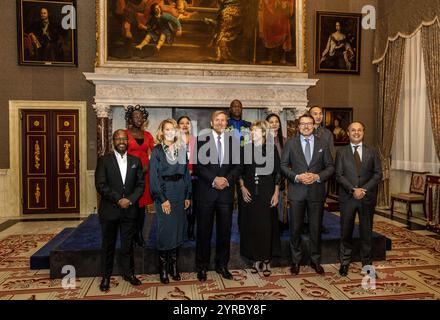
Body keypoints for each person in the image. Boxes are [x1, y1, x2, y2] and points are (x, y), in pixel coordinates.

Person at [280, 114, 334, 275]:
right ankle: (295, 261)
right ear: (298, 126)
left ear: (313, 125)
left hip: (316, 192)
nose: (306, 126)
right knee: (295, 229)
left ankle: (315, 260)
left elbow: (330, 167)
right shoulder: (291, 143)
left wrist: (317, 177)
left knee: (315, 229)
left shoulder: (322, 143)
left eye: (309, 124)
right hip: (297, 192)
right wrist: (296, 176)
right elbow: (283, 166)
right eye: (302, 124)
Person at [193, 110, 242, 282]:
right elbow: (197, 166)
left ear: (226, 123)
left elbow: (238, 167)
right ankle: (202, 267)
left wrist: (226, 180)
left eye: (224, 120)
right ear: (212, 123)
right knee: (203, 232)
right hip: (206, 192)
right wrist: (214, 179)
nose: (221, 122)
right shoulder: (201, 140)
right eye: (217, 120)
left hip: (226, 194)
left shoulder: (234, 142)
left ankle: (222, 265)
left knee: (224, 232)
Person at [95, 130, 145, 292]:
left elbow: (140, 185)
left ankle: (129, 273)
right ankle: (106, 276)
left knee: (128, 244)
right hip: (110, 209)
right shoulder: (104, 161)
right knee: (108, 245)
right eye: (118, 138)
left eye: (124, 138)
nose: (122, 141)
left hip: (130, 210)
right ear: (113, 141)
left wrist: (129, 199)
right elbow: (101, 185)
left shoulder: (135, 161)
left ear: (128, 141)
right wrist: (118, 199)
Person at [335, 122, 382, 277]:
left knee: (366, 233)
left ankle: (367, 266)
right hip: (348, 198)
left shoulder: (373, 151)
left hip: (367, 198)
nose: (356, 133)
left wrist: (364, 190)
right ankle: (344, 263)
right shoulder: (341, 152)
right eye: (353, 130)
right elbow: (339, 175)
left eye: (359, 130)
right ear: (348, 133)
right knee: (346, 232)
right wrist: (353, 190)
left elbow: (377, 174)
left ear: (364, 132)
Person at [149, 119, 192, 284]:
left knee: (177, 230)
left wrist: (188, 195)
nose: (170, 132)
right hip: (165, 193)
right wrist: (162, 199)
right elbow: (153, 177)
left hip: (180, 193)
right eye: (167, 129)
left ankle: (175, 267)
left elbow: (186, 173)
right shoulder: (157, 151)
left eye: (173, 129)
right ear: (161, 131)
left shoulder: (182, 149)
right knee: (165, 231)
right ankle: (163, 269)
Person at [239, 121, 281, 277]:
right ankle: (255, 259)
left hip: (267, 192)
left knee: (267, 226)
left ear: (263, 133)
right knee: (252, 225)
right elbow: (240, 172)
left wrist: (276, 193)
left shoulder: (271, 149)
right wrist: (242, 187)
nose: (252, 133)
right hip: (249, 192)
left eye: (255, 131)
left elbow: (277, 173)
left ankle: (267, 259)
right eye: (252, 131)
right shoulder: (245, 149)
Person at [124, 105, 155, 247]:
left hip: (145, 175)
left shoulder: (148, 135)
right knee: (131, 205)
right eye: (135, 116)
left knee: (142, 206)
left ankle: (139, 234)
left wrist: (150, 164)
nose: (138, 118)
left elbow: (155, 154)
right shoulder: (124, 134)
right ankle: (130, 234)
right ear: (130, 118)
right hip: (129, 175)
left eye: (140, 116)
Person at [309, 105, 335, 235]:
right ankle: (306, 224)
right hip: (306, 173)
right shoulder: (303, 130)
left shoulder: (327, 134)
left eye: (320, 114)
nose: (318, 116)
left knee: (320, 201)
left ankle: (319, 224)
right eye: (315, 114)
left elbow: (331, 154)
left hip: (321, 174)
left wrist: (323, 173)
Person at [227, 99, 251, 231]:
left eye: (239, 106)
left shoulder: (248, 125)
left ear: (242, 109)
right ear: (230, 109)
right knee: (228, 198)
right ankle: (227, 225)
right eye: (234, 106)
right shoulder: (224, 124)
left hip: (243, 165)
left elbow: (249, 146)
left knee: (244, 195)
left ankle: (243, 225)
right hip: (228, 166)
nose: (236, 108)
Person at [266, 113, 287, 231]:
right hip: (267, 176)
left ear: (279, 125)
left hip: (281, 176)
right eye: (271, 122)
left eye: (276, 121)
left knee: (279, 201)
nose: (274, 124)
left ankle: (280, 223)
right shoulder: (263, 140)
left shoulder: (284, 140)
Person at [177, 116, 197, 241]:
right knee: (180, 204)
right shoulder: (174, 140)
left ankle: (190, 228)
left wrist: (192, 170)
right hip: (179, 178)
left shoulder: (196, 140)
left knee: (192, 205)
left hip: (194, 177)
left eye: (187, 123)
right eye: (181, 123)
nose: (185, 125)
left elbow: (200, 160)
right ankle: (180, 229)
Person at [258, 0, 294, 65]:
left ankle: (281, 58)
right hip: (272, 16)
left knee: (282, 33)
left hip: (281, 15)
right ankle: (271, 58)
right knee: (271, 32)